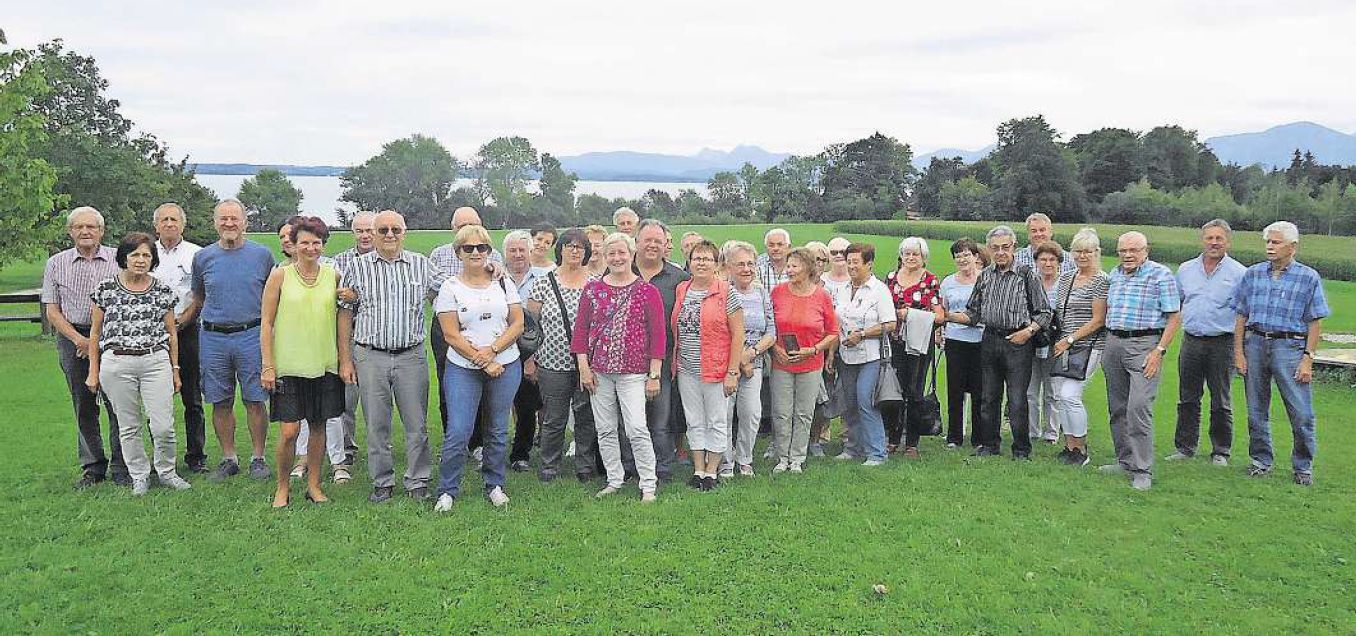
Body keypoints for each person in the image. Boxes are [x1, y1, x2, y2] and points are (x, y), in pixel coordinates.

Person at [337, 210, 444, 503]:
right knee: (376, 423)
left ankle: (417, 480)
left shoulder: (422, 266)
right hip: (370, 356)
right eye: (382, 229)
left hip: (411, 356)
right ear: (372, 232)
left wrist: (491, 271)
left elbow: (449, 292)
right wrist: (345, 359)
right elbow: (344, 313)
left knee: (416, 423)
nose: (389, 235)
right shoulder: (357, 268)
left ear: (404, 232)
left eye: (395, 229)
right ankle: (382, 481)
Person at [85, 233, 192, 495]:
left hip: (155, 361)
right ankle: (139, 475)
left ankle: (167, 471)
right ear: (124, 257)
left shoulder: (162, 290)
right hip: (117, 363)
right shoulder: (105, 289)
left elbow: (171, 333)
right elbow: (96, 333)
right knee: (128, 425)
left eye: (146, 255)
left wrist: (175, 369)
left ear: (153, 259)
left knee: (163, 425)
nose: (141, 260)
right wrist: (93, 371)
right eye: (135, 255)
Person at [432, 224, 524, 511]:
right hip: (463, 366)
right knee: (459, 430)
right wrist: (482, 360)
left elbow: (518, 322)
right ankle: (448, 489)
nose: (475, 252)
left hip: (505, 364)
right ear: (458, 252)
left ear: (488, 251)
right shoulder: (450, 287)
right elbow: (450, 334)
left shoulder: (502, 281)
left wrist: (494, 352)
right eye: (468, 248)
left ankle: (494, 484)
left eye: (481, 247)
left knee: (497, 429)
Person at [1233, 221, 1330, 486]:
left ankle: (1302, 466)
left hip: (1289, 347)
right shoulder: (1253, 274)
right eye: (1267, 242)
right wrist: (1238, 352)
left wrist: (1308, 358)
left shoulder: (1308, 277)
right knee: (1256, 409)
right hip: (1255, 343)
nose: (1269, 247)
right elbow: (1241, 314)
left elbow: (1315, 321)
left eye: (1275, 242)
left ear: (1292, 246)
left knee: (1300, 412)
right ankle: (1260, 461)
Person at [261, 216, 348, 507]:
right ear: (293, 245)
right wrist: (267, 364)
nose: (311, 248)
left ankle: (314, 484)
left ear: (323, 245)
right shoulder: (280, 276)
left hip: (324, 363)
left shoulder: (332, 275)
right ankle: (282, 487)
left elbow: (343, 314)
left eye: (316, 243)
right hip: (288, 364)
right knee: (289, 431)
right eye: (304, 243)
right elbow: (266, 322)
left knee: (319, 427)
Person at [572, 232, 665, 502]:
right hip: (599, 370)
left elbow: (658, 336)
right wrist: (584, 368)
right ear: (604, 257)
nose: (617, 258)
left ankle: (648, 482)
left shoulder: (647, 291)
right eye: (611, 253)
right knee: (605, 428)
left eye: (622, 252)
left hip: (634, 372)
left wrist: (654, 374)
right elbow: (581, 332)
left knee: (636, 428)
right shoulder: (592, 290)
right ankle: (615, 478)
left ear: (631, 253)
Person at [946, 225, 1053, 459]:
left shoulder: (1027, 274)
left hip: (1018, 342)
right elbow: (973, 314)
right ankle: (989, 445)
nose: (1001, 252)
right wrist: (945, 316)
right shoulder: (984, 276)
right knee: (989, 398)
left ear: (1013, 247)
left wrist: (1029, 331)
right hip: (990, 339)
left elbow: (1045, 312)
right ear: (989, 250)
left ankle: (1021, 449)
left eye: (1006, 247)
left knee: (1016, 399)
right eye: (995, 248)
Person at [187, 199, 275, 481]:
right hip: (213, 337)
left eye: (234, 219)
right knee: (219, 400)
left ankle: (258, 458)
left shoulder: (262, 255)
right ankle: (229, 458)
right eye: (223, 219)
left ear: (245, 222)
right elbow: (199, 296)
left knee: (255, 399)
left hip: (251, 334)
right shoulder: (203, 258)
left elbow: (272, 298)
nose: (229, 224)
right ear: (215, 223)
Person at [43, 207, 129, 489]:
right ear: (70, 232)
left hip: (112, 338)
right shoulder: (56, 263)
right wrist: (80, 340)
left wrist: (99, 341)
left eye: (91, 227)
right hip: (73, 339)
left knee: (118, 403)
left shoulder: (118, 260)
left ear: (101, 231)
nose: (85, 232)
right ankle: (93, 467)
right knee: (83, 404)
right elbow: (52, 310)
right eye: (79, 227)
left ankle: (122, 465)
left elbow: (127, 301)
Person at [1099, 231, 1181, 490]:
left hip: (1144, 346)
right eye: (1123, 250)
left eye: (1134, 250)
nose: (1128, 255)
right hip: (1114, 343)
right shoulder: (1114, 275)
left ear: (1146, 250)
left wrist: (1159, 351)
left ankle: (1142, 469)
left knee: (1138, 407)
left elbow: (1174, 317)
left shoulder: (1161, 275)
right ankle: (1124, 460)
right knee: (1118, 407)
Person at [1168, 219, 1246, 466]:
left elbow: (1244, 313)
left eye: (1219, 238)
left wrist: (1239, 350)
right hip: (1191, 340)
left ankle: (1220, 450)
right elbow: (1177, 304)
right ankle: (1185, 447)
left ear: (1228, 242)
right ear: (1202, 240)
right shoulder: (1186, 269)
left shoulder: (1239, 273)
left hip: (1222, 343)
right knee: (1187, 397)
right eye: (1209, 238)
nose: (1214, 243)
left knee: (1220, 399)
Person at [525, 229, 599, 482]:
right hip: (551, 362)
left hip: (588, 364)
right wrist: (529, 359)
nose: (575, 251)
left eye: (580, 247)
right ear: (561, 250)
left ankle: (585, 466)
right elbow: (530, 325)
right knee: (554, 418)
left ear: (587, 252)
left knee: (585, 416)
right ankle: (549, 466)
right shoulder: (544, 282)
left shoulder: (596, 282)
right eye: (569, 246)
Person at [428, 207, 504, 449]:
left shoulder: (495, 257)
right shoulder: (439, 255)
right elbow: (433, 292)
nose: (468, 231)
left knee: (485, 381)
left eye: (473, 224)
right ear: (454, 229)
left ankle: (480, 444)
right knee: (449, 383)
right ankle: (455, 441)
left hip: (484, 327)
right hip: (447, 328)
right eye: (461, 226)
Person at [672, 240, 743, 490]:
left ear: (716, 264)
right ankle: (698, 468)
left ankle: (712, 471)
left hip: (716, 368)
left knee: (716, 420)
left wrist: (732, 371)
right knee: (693, 420)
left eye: (707, 259)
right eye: (697, 258)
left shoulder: (726, 291)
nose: (701, 263)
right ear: (689, 262)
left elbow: (738, 335)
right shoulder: (682, 289)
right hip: (686, 367)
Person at [769, 248, 839, 472]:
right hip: (782, 362)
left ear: (808, 268)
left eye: (794, 266)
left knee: (804, 412)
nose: (789, 270)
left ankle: (797, 458)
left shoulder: (821, 296)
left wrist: (815, 349)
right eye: (788, 266)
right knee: (781, 411)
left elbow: (833, 332)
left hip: (810, 363)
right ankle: (782, 457)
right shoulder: (777, 292)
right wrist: (774, 348)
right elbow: (768, 325)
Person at [150, 203, 207, 473]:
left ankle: (196, 456)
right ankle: (162, 457)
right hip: (153, 335)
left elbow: (200, 293)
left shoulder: (196, 254)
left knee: (192, 397)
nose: (169, 224)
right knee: (156, 398)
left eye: (174, 219)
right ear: (156, 225)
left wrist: (187, 316)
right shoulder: (146, 253)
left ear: (182, 225)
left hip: (188, 330)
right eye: (164, 220)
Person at [632, 219, 690, 482]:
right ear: (637, 242)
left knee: (661, 416)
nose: (652, 245)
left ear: (665, 245)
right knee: (631, 418)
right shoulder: (622, 271)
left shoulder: (678, 278)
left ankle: (662, 466)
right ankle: (631, 466)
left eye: (658, 241)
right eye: (648, 240)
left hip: (664, 359)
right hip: (626, 359)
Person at [1047, 229, 1108, 467]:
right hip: (1063, 345)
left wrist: (1070, 339)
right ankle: (1069, 445)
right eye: (1078, 251)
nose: (1082, 256)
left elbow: (1098, 319)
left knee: (1070, 395)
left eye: (1087, 251)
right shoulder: (1066, 278)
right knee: (1060, 396)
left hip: (1088, 345)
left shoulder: (1101, 280)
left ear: (1097, 253)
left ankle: (1081, 447)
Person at [833, 243, 896, 466]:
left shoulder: (879, 290)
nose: (851, 266)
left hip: (871, 356)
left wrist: (862, 334)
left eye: (855, 262)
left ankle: (877, 452)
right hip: (846, 356)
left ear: (869, 264)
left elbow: (890, 323)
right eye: (848, 262)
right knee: (849, 402)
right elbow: (835, 323)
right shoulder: (842, 290)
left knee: (865, 401)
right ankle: (853, 448)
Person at [884, 237, 945, 458]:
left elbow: (939, 316)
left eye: (915, 254)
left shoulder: (930, 280)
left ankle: (912, 442)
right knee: (894, 390)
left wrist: (911, 314)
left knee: (915, 391)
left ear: (923, 257)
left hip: (919, 344)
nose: (910, 258)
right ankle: (892, 437)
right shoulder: (891, 277)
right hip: (895, 342)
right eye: (907, 253)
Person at [720, 241, 776, 477]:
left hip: (755, 362)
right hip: (727, 364)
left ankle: (745, 459)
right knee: (724, 413)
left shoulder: (762, 293)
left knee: (751, 412)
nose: (746, 269)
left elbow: (771, 331)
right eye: (740, 264)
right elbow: (720, 330)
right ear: (729, 267)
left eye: (750, 264)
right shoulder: (721, 291)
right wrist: (740, 360)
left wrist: (751, 354)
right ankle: (724, 461)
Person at [331, 210, 376, 468]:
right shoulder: (340, 262)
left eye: (370, 230)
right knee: (347, 398)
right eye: (360, 230)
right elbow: (336, 301)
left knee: (377, 399)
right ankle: (347, 447)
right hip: (349, 338)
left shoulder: (388, 260)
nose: (365, 235)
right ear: (353, 233)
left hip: (376, 339)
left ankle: (379, 446)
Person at [503, 230, 546, 473]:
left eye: (522, 250)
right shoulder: (494, 278)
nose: (518, 255)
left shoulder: (543, 278)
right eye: (513, 250)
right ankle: (489, 451)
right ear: (505, 253)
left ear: (530, 252)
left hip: (532, 351)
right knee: (494, 405)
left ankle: (521, 454)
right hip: (499, 350)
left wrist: (532, 358)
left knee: (527, 404)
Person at [938, 238, 987, 449]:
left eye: (966, 255)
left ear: (976, 257)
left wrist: (955, 317)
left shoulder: (986, 280)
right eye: (958, 256)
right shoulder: (948, 282)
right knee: (955, 389)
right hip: (955, 341)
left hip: (981, 341)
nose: (963, 260)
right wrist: (940, 331)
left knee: (980, 390)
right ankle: (954, 436)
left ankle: (979, 437)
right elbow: (942, 312)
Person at [1026, 241, 1065, 445]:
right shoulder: (1031, 283)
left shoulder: (1064, 285)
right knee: (1031, 390)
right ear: (1036, 262)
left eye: (1052, 259)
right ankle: (1033, 431)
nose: (1047, 263)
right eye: (1043, 259)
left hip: (1055, 343)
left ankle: (1051, 432)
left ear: (1058, 262)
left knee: (1052, 390)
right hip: (1032, 342)